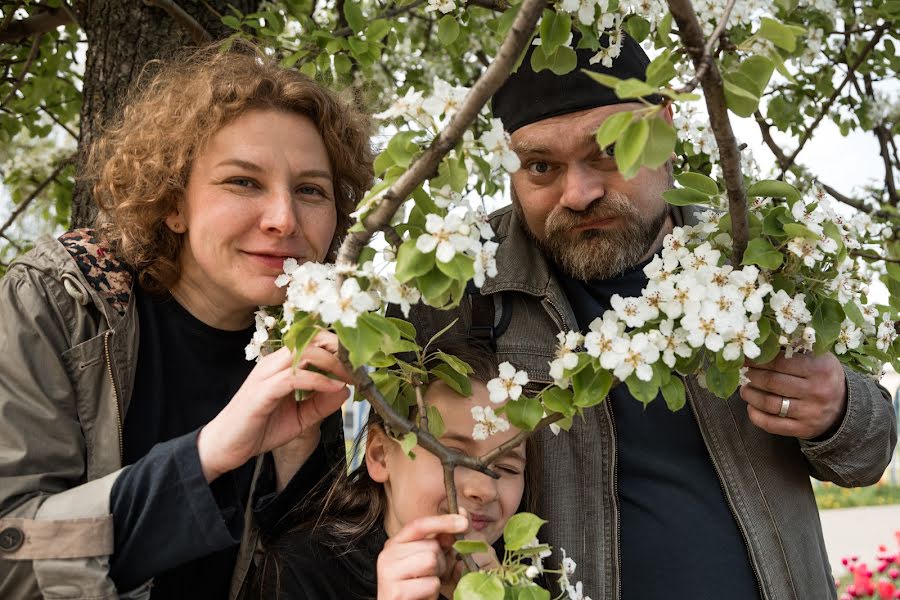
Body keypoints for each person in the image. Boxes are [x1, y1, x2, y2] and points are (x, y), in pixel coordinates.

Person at [403, 34, 898, 599]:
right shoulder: (461, 287)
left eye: (609, 152)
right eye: (540, 166)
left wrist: (836, 407)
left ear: (664, 129)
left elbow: (869, 453)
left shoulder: (757, 258)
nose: (579, 192)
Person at [0, 42, 373, 600]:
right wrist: (208, 456)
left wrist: (296, 477)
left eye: (311, 191)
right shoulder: (59, 305)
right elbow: (12, 558)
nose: (283, 219)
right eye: (243, 181)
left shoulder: (339, 346)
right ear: (174, 203)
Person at [258, 346, 538, 600]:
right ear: (380, 455)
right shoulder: (306, 571)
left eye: (506, 468)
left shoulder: (526, 578)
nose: (485, 489)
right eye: (453, 456)